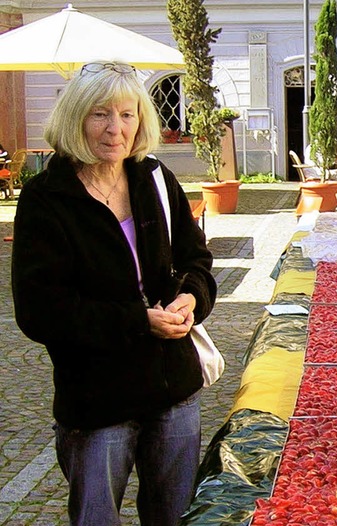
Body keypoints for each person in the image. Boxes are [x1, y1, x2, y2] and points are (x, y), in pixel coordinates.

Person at [11, 61, 217, 526]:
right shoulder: (47, 198)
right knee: (96, 519)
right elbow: (39, 310)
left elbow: (196, 260)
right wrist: (136, 320)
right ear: (74, 118)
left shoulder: (155, 178)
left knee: (175, 517)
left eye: (128, 115)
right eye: (100, 114)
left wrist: (192, 299)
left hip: (173, 388)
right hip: (98, 398)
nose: (116, 129)